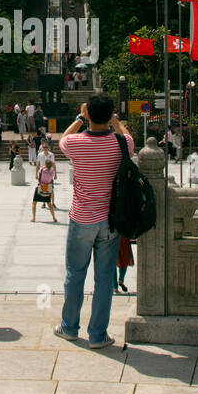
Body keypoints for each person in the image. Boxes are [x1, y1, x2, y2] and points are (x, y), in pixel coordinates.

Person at [55, 94, 134, 349]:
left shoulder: (76, 143)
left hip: (81, 219)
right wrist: (114, 119)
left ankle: (69, 327)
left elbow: (62, 139)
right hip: (110, 220)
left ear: (88, 114)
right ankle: (98, 335)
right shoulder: (121, 144)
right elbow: (128, 134)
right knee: (103, 279)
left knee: (75, 274)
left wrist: (80, 117)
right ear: (110, 114)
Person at [31, 158, 57, 223]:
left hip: (41, 187)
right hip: (48, 187)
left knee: (34, 203)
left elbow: (39, 175)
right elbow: (51, 179)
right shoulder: (52, 171)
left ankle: (34, 218)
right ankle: (54, 218)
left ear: (45, 164)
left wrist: (43, 167)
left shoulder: (42, 170)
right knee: (49, 203)